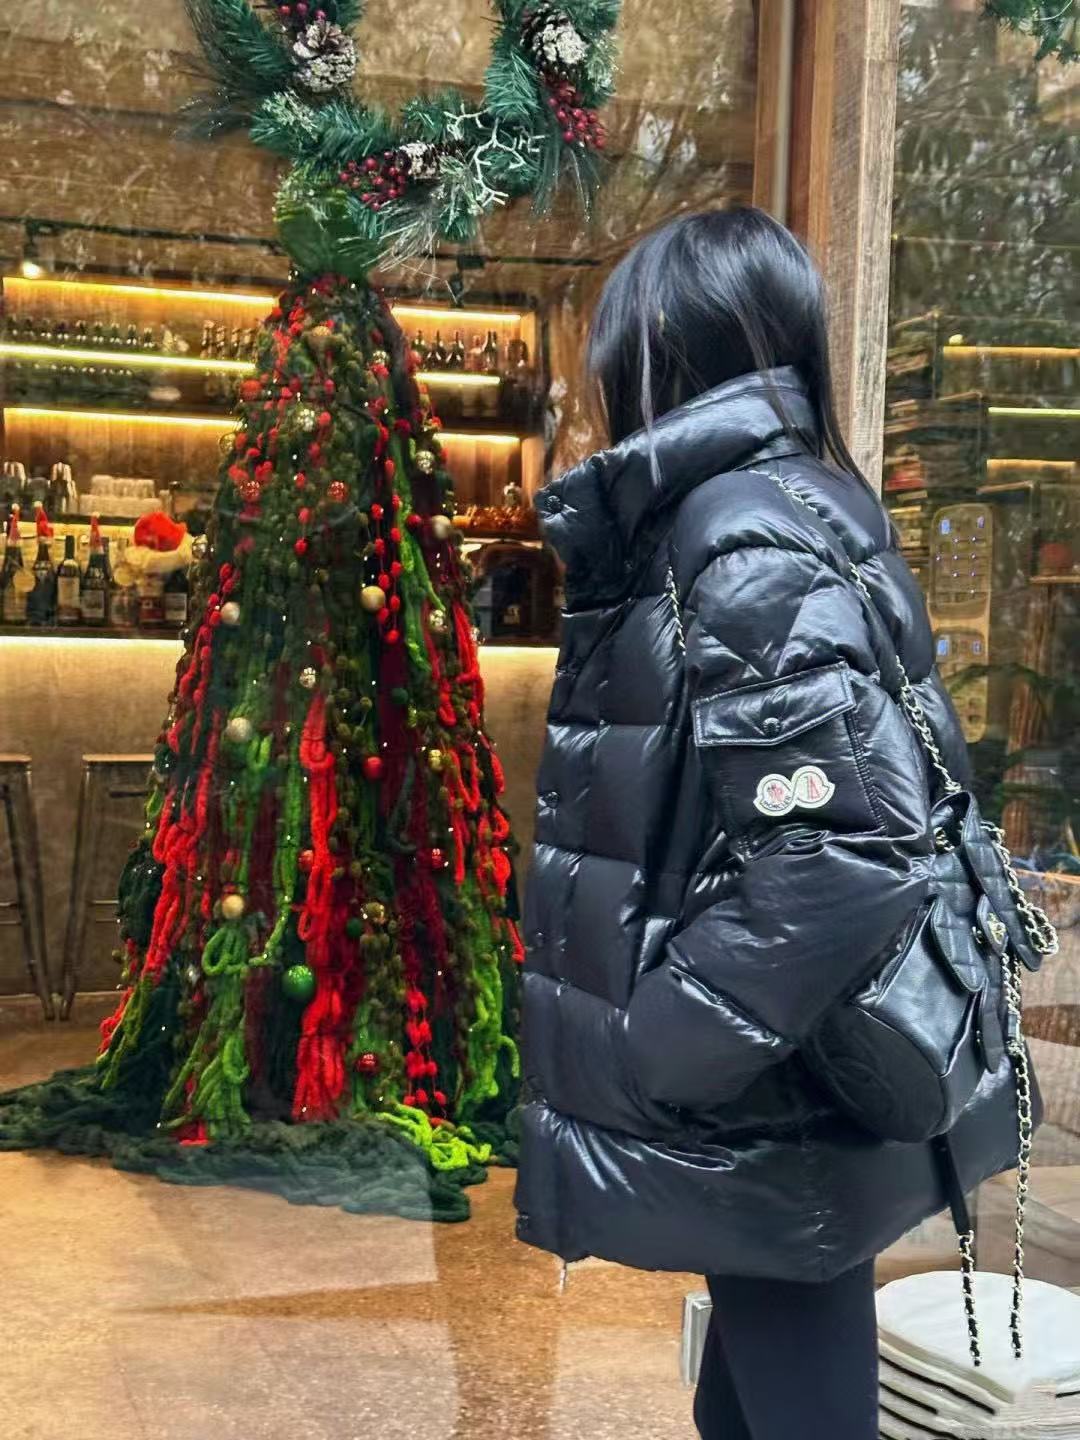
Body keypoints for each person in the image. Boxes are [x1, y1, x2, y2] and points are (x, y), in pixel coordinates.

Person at [512, 207, 1024, 1439]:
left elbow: (837, 859)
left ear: (664, 352)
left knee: (798, 1393)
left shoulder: (741, 533)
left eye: (617, 347)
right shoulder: (797, 504)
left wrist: (664, 1042)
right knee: (752, 1399)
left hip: (770, 1086)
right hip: (789, 1072)